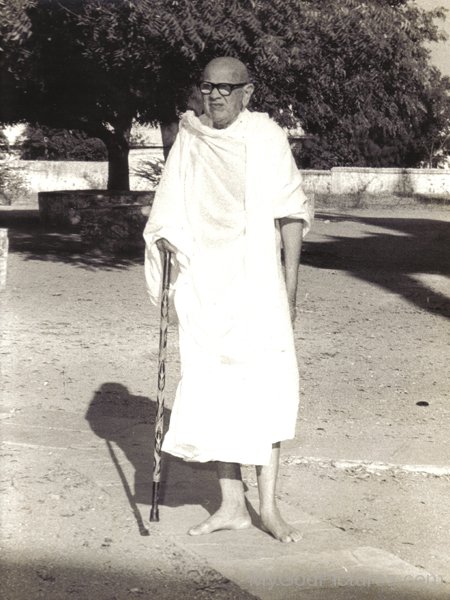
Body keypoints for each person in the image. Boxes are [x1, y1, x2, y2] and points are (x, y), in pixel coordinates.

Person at [144, 57, 313, 542]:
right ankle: (231, 505)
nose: (214, 95)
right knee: (214, 385)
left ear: (248, 92)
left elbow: (291, 214)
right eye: (207, 86)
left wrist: (291, 287)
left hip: (258, 281)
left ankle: (271, 509)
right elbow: (168, 207)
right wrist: (166, 239)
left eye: (225, 87)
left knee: (269, 386)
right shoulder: (191, 139)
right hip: (205, 285)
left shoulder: (267, 139)